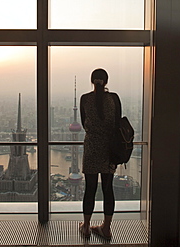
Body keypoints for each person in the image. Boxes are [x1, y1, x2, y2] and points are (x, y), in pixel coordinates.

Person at [78, 68, 121, 240]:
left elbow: (84, 123)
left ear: (91, 81)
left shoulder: (85, 99)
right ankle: (107, 228)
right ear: (106, 81)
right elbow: (117, 123)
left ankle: (86, 227)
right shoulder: (114, 99)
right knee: (108, 188)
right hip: (110, 149)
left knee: (90, 189)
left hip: (91, 148)